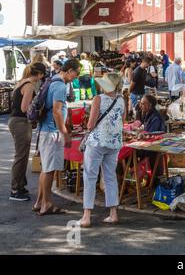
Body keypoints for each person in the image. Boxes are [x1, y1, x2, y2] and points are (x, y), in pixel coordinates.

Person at [78, 73, 125, 228]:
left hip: (97, 141)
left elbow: (91, 124)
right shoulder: (122, 100)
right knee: (110, 177)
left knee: (90, 177)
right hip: (114, 143)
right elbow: (122, 123)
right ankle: (113, 214)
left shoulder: (98, 98)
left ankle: (86, 216)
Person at [33, 59, 81, 216]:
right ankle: (46, 204)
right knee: (50, 170)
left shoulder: (53, 80)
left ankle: (40, 202)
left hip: (46, 130)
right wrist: (64, 133)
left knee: (46, 169)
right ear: (69, 70)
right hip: (52, 132)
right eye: (77, 73)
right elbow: (57, 111)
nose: (77, 77)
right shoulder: (60, 85)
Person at [8, 63, 46, 201]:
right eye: (43, 75)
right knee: (21, 156)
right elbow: (25, 108)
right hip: (21, 122)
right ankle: (16, 189)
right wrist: (38, 111)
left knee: (22, 156)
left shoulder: (21, 82)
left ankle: (20, 187)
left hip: (15, 121)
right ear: (40, 74)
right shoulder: (29, 85)